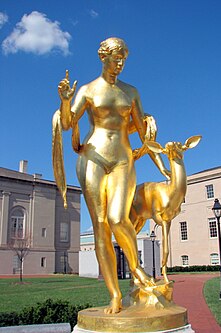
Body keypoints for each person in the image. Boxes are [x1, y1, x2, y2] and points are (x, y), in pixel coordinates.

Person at [55, 37, 169, 314]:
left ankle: (136, 268)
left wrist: (163, 165)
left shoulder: (131, 92)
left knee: (119, 219)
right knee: (101, 226)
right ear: (103, 57)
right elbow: (69, 123)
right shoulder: (89, 89)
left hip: (122, 159)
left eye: (123, 60)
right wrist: (65, 101)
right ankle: (115, 294)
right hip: (92, 158)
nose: (119, 63)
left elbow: (143, 132)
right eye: (116, 58)